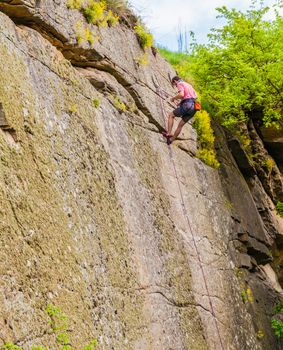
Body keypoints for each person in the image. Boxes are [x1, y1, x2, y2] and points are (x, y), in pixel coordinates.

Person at [164, 76, 197, 145]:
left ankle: (169, 133)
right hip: (194, 107)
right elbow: (194, 97)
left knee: (171, 115)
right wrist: (181, 103)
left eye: (175, 84)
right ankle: (171, 140)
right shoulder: (189, 85)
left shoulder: (180, 83)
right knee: (180, 125)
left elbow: (181, 94)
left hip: (187, 105)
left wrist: (173, 98)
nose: (176, 86)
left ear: (175, 81)